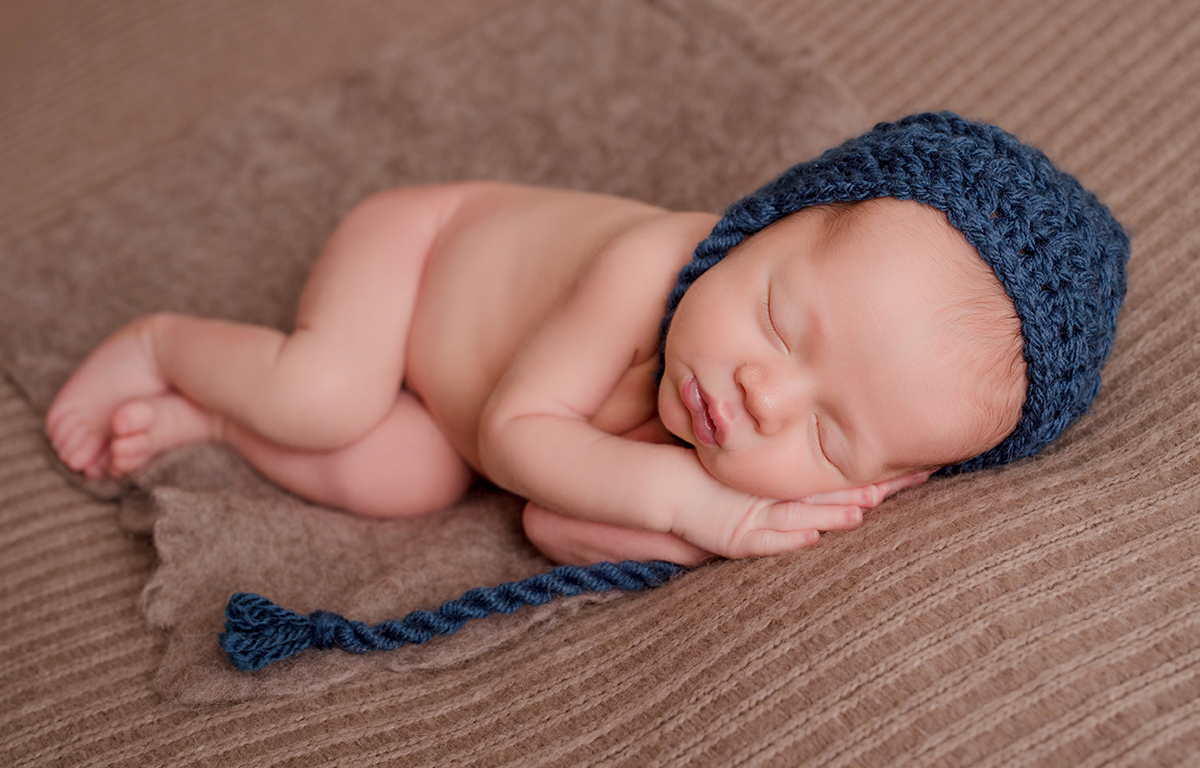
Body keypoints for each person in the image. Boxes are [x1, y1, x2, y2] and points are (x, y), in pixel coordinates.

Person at [44, 112, 1129, 566]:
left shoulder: (736, 442)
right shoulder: (647, 267)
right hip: (419, 256)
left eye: (835, 439)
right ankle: (163, 343)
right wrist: (697, 503)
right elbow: (521, 438)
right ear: (763, 222)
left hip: (450, 411)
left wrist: (727, 528)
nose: (762, 395)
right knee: (329, 392)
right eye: (775, 320)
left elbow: (555, 519)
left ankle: (219, 412)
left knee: (407, 474)